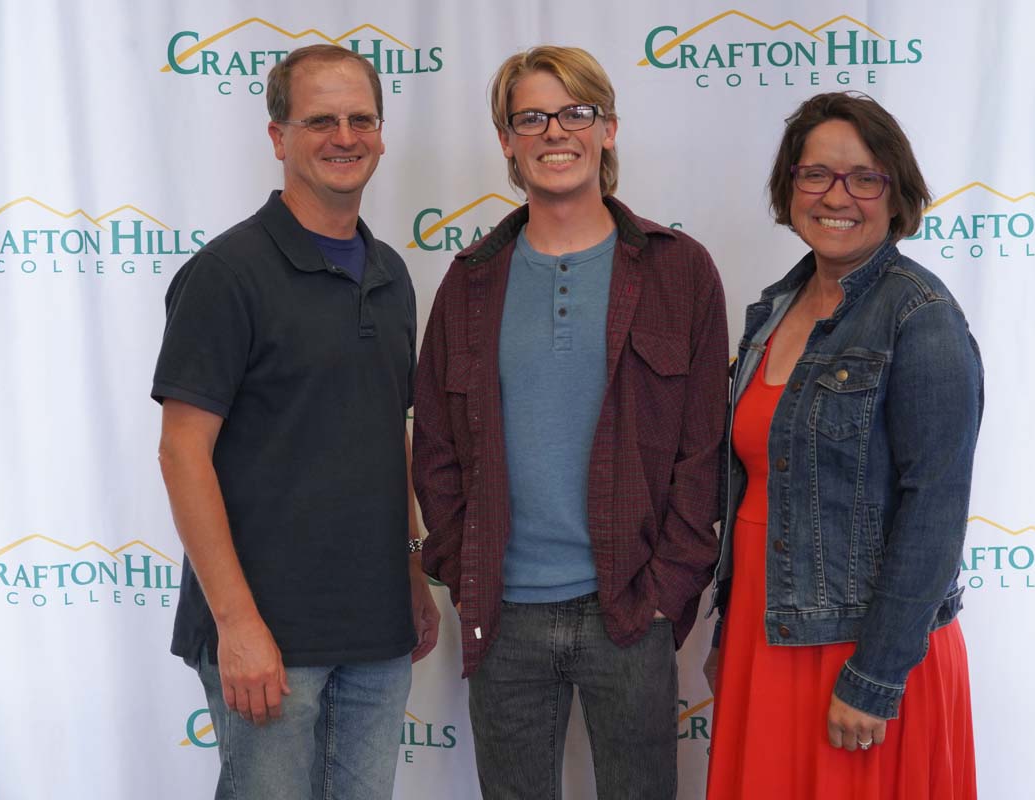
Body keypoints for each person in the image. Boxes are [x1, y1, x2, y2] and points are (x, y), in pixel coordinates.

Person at [411, 45, 729, 799]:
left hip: (630, 607)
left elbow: (703, 448)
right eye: (531, 117)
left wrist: (663, 594)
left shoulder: (679, 270)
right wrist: (464, 567)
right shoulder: (471, 281)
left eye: (575, 112)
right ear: (507, 142)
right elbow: (436, 450)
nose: (555, 131)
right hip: (505, 612)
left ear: (607, 129)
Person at [152, 43, 439, 800]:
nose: (343, 137)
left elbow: (390, 434)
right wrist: (237, 624)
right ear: (278, 137)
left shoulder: (392, 275)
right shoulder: (226, 275)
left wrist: (410, 565)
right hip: (269, 638)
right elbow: (183, 453)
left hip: (376, 632)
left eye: (360, 119)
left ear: (381, 134)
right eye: (319, 121)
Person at [704, 92, 983, 799]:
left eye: (864, 177)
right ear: (789, 187)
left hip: (859, 652)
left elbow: (935, 512)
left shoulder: (921, 316)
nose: (838, 196)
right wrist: (724, 634)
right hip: (764, 632)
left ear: (897, 194)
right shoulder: (774, 308)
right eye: (816, 175)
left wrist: (876, 676)